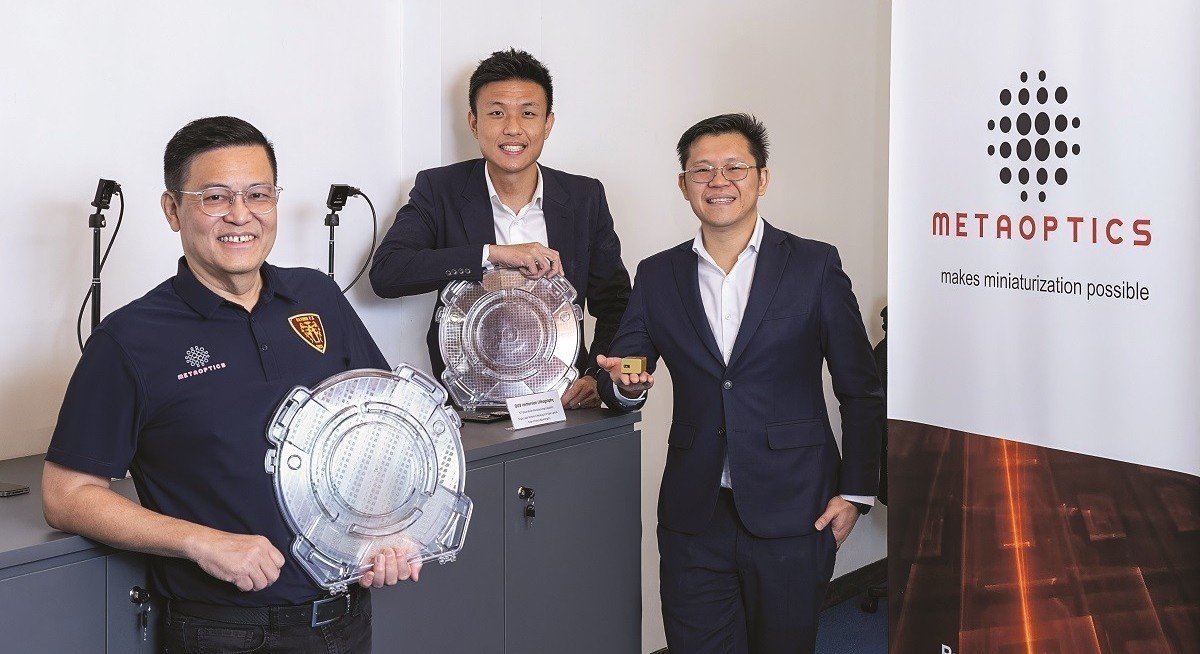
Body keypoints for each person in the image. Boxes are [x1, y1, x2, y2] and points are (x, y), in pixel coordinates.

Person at [42, 116, 418, 653]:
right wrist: (202, 542)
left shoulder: (318, 298)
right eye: (215, 197)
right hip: (225, 632)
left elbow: (384, 432)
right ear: (173, 210)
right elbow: (66, 496)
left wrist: (388, 530)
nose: (240, 215)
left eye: (258, 195)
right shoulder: (129, 339)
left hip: (346, 620)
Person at [596, 114, 883, 653]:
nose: (718, 181)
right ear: (683, 184)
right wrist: (625, 385)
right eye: (702, 170)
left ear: (762, 178)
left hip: (796, 506)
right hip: (694, 513)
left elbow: (860, 387)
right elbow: (626, 365)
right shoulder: (657, 274)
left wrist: (856, 491)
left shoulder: (814, 265)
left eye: (734, 168)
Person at [369, 48, 631, 410]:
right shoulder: (439, 190)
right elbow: (387, 273)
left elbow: (617, 303)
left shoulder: (584, 197)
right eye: (496, 113)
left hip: (562, 404)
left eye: (528, 113)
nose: (512, 128)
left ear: (548, 124)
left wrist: (595, 376)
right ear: (473, 122)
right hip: (471, 406)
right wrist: (491, 254)